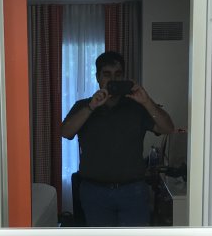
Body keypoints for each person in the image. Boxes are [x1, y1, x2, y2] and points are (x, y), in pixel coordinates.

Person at [61, 51, 175, 227]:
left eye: (118, 75)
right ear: (98, 78)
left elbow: (168, 128)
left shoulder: (137, 107)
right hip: (95, 192)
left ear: (123, 77)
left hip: (133, 191)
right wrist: (91, 107)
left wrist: (146, 101)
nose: (112, 80)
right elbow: (66, 132)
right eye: (107, 74)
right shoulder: (84, 106)